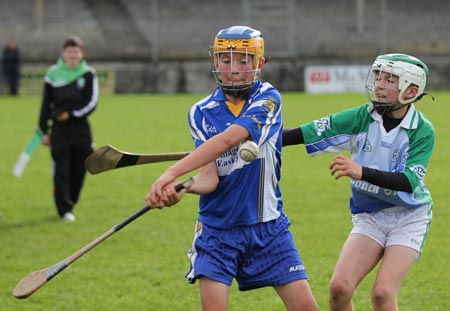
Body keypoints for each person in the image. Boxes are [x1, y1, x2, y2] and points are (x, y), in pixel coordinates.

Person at [146, 26, 319, 311]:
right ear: (215, 62)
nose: (234, 69)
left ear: (260, 63)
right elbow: (208, 177)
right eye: (225, 60)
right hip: (217, 231)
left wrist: (170, 173)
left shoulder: (268, 98)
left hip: (269, 227)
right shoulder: (200, 112)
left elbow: (229, 138)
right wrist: (181, 187)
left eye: (244, 59)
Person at [283, 53, 435, 311]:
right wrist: (258, 138)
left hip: (409, 217)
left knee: (382, 294)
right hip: (370, 215)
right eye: (378, 77)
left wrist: (360, 171)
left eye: (390, 80)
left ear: (411, 90)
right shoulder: (362, 116)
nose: (379, 84)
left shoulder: (422, 130)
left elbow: (409, 181)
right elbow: (311, 131)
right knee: (339, 288)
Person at [38, 35, 98, 222]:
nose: (73, 54)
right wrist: (43, 130)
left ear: (81, 54)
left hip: (80, 128)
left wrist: (72, 114)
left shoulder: (88, 73)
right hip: (59, 130)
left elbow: (92, 102)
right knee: (61, 169)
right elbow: (45, 104)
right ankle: (64, 208)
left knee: (81, 167)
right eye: (69, 51)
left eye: (76, 51)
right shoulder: (53, 73)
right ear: (64, 53)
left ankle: (71, 201)